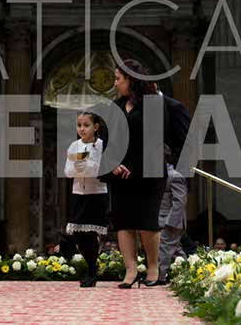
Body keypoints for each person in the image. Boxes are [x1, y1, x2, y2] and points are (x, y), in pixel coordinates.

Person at [101, 59, 190, 289]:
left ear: (131, 79)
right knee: (123, 222)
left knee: (147, 221)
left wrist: (138, 165)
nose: (115, 83)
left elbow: (156, 141)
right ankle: (130, 271)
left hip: (148, 173)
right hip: (120, 175)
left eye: (118, 79)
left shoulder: (155, 105)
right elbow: (107, 142)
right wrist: (112, 163)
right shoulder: (115, 107)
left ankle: (152, 269)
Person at [64, 111, 108, 287]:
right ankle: (91, 266)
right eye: (79, 125)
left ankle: (91, 270)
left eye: (86, 125)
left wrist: (85, 166)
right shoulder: (74, 146)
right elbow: (68, 171)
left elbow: (101, 170)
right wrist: (81, 168)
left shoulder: (102, 145)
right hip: (78, 193)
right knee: (79, 233)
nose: (82, 129)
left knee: (91, 233)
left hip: (97, 193)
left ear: (95, 127)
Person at [158, 165, 188, 283]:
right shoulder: (161, 175)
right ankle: (188, 274)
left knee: (164, 248)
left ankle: (160, 277)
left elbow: (179, 202)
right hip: (162, 219)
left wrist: (171, 223)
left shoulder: (175, 176)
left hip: (170, 220)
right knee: (175, 250)